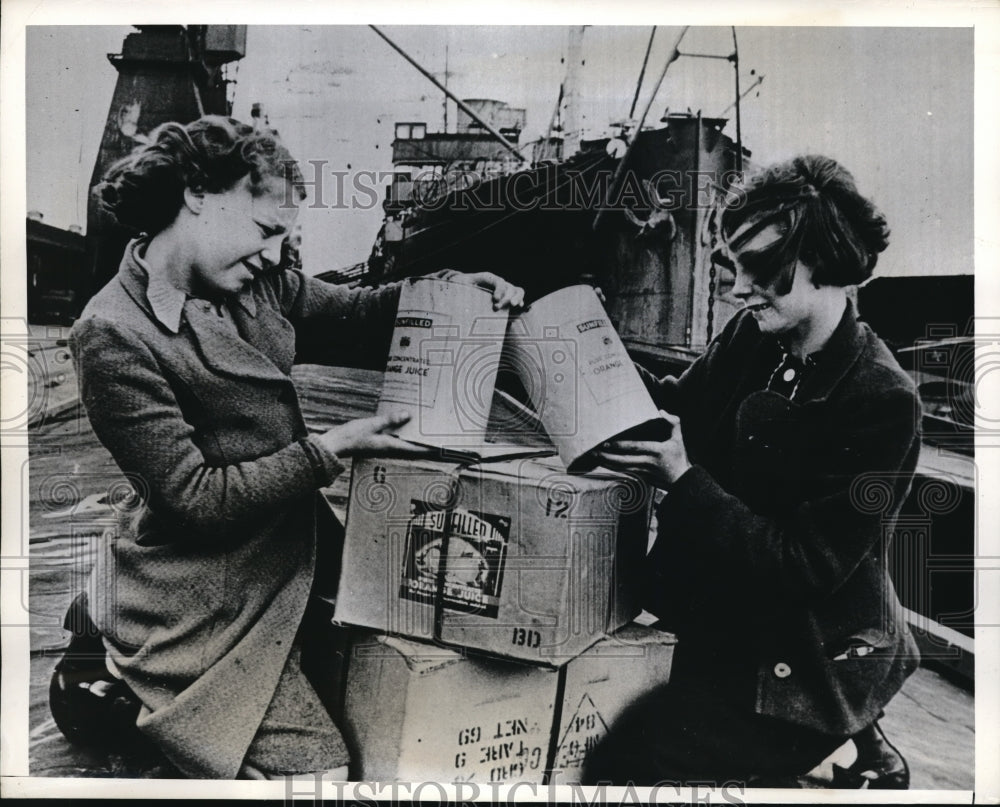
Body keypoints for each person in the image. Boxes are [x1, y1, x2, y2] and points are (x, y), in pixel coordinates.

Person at [58, 115, 524, 780]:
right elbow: (194, 499)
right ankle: (130, 680)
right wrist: (332, 446)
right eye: (265, 230)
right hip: (203, 596)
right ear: (197, 193)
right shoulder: (111, 333)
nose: (276, 255)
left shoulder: (255, 281)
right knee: (320, 772)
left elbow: (358, 309)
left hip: (292, 551)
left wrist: (449, 287)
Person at [584, 155, 920, 788]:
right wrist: (581, 346)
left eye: (762, 271)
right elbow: (679, 404)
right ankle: (852, 749)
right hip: (736, 622)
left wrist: (682, 480)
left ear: (829, 264)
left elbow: (805, 566)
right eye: (733, 266)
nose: (738, 288)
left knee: (631, 765)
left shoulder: (882, 401)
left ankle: (839, 734)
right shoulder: (754, 335)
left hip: (808, 657)